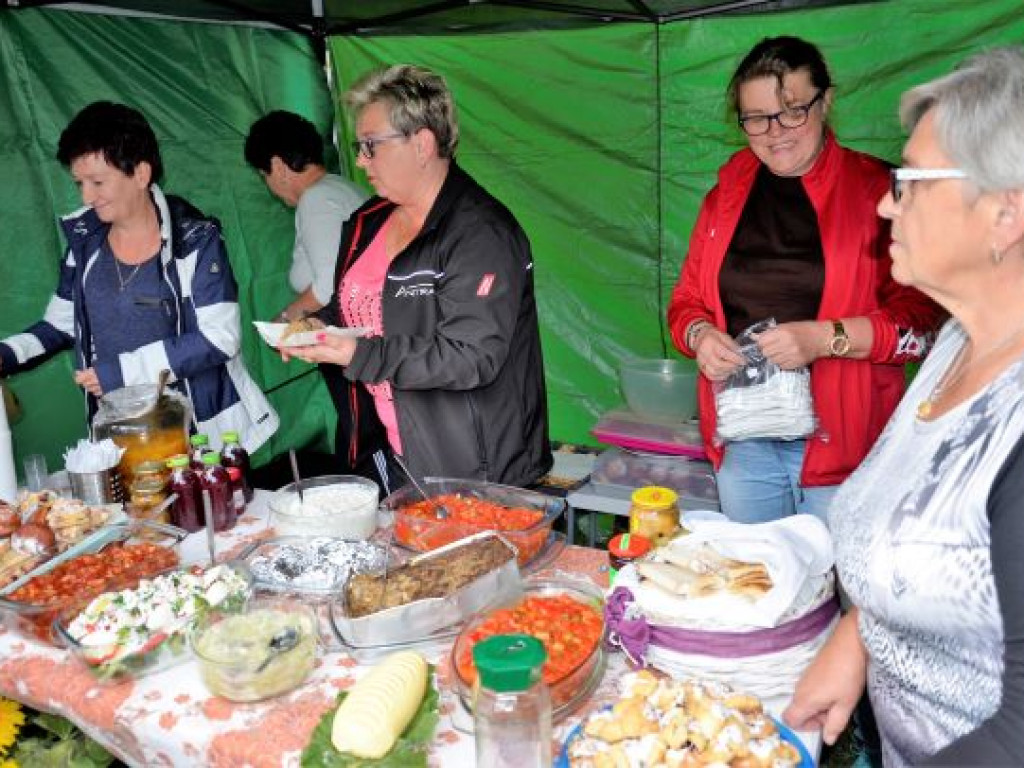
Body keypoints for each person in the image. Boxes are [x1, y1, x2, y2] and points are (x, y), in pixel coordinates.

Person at [783, 47, 1024, 766]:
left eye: (911, 181)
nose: (887, 202)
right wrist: (858, 637)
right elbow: (925, 530)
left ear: (1005, 214)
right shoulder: (956, 344)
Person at [667, 36, 943, 525]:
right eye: (756, 118)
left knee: (847, 596)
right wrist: (700, 336)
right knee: (759, 587)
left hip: (847, 451)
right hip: (745, 438)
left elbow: (923, 328)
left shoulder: (878, 193)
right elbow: (687, 301)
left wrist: (826, 338)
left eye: (792, 110)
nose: (774, 132)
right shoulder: (724, 196)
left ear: (826, 101)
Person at [282, 65, 552, 492]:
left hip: (473, 468)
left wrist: (359, 354)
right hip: (389, 450)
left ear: (422, 144)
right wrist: (319, 327)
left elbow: (470, 354)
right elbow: (362, 303)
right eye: (358, 146)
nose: (359, 160)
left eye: (371, 146)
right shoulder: (367, 222)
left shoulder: (481, 232)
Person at [0, 101, 278, 452]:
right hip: (121, 439)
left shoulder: (195, 240)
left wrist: (122, 372)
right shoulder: (84, 246)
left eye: (98, 181)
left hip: (201, 437)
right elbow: (59, 325)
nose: (87, 196)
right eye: (79, 183)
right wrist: (6, 354)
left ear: (141, 174)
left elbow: (219, 337)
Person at [244, 110, 367, 323]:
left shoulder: (316, 199)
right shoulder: (342, 187)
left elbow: (330, 285)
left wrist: (284, 322)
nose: (268, 185)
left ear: (278, 167)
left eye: (265, 176)